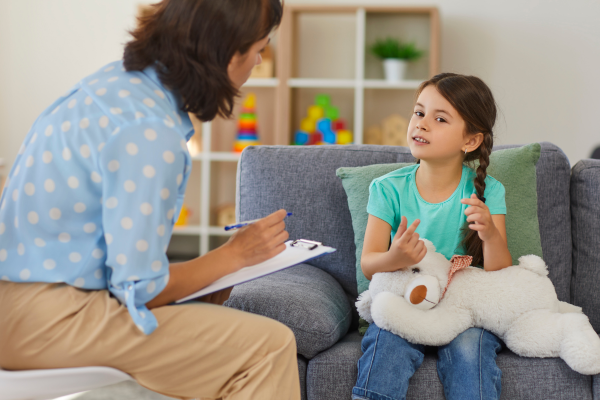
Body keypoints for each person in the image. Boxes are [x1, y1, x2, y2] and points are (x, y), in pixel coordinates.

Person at [0, 1, 301, 399]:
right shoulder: (149, 131)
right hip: (48, 319)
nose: (260, 60)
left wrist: (206, 277)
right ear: (228, 56)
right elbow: (142, 287)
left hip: (24, 306)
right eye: (259, 49)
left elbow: (118, 266)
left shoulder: (115, 87)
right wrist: (234, 256)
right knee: (268, 346)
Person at [352, 73, 513, 400]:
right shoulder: (386, 189)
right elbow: (369, 264)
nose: (421, 124)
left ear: (470, 141)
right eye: (419, 112)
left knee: (471, 349)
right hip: (404, 303)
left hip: (463, 310)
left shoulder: (489, 192)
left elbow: (499, 274)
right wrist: (395, 258)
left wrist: (490, 234)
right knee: (386, 343)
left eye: (439, 118)